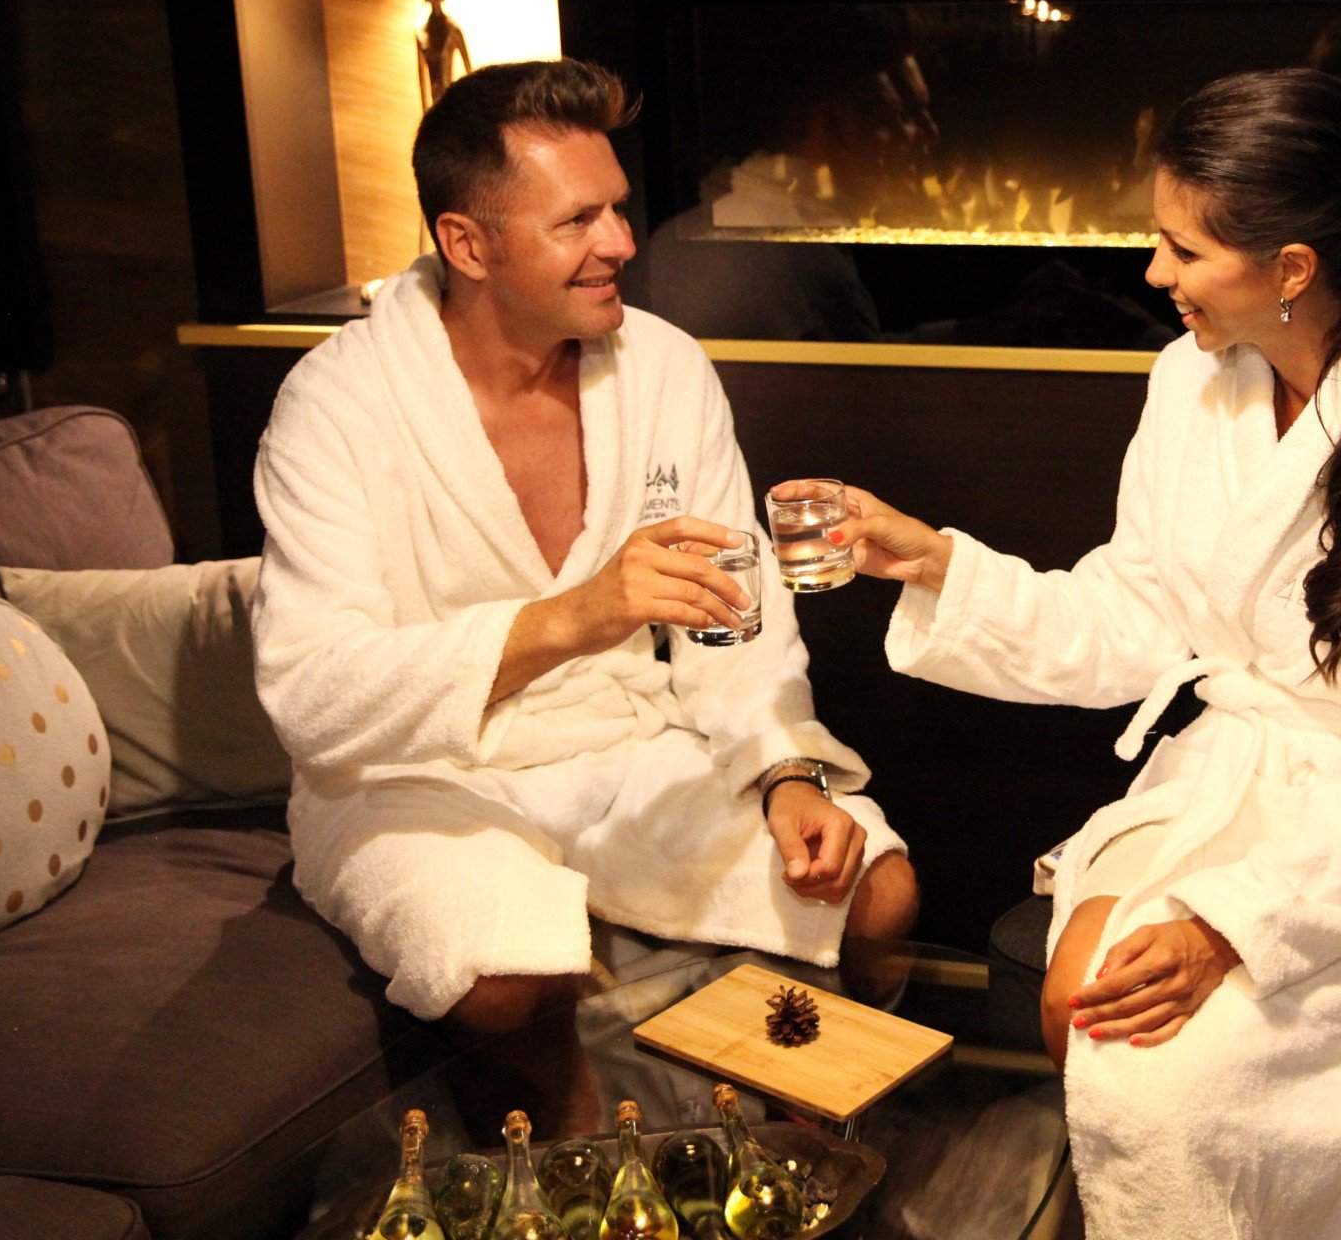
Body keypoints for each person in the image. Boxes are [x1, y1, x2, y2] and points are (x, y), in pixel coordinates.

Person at [825, 68, 1341, 1237]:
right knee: (1079, 1004)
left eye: (1183, 248)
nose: (1151, 273)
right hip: (1234, 774)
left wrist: (1232, 922)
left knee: (1158, 1076)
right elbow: (1137, 617)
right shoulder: (1192, 382)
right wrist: (935, 566)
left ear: (1291, 269)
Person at [251, 58, 917, 1035]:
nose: (622, 243)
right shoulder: (337, 406)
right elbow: (311, 693)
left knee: (876, 893)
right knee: (504, 972)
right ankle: (580, 1131)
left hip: (622, 747)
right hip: (416, 781)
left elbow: (736, 619)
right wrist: (575, 617)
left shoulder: (662, 369)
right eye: (577, 221)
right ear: (467, 244)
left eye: (617, 208)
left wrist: (782, 769)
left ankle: (789, 1121)